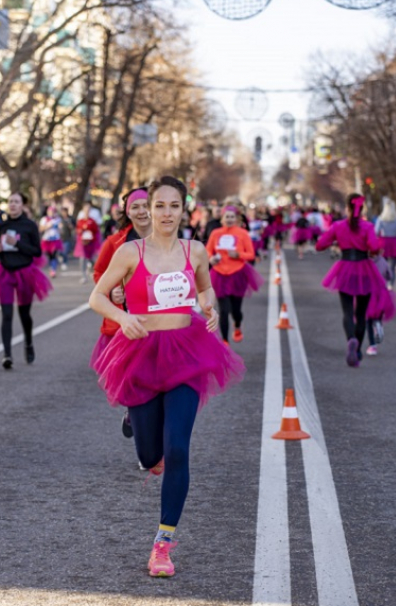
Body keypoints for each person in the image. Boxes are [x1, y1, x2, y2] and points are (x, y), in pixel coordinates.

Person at [89, 175, 245, 578]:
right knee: (148, 455)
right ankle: (151, 455)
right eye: (159, 205)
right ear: (149, 208)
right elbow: (97, 297)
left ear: (184, 209)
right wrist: (123, 318)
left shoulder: (195, 251)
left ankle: (163, 542)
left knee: (178, 447)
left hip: (186, 355)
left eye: (174, 206)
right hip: (140, 355)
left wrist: (210, 308)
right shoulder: (129, 252)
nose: (166, 213)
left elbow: (206, 291)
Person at [91, 187, 152, 439]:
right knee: (135, 380)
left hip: (158, 321)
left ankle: (151, 432)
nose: (141, 211)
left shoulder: (168, 238)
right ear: (128, 212)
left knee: (156, 381)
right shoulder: (115, 243)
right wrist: (113, 290)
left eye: (146, 205)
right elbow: (99, 274)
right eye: (135, 207)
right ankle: (137, 421)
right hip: (124, 323)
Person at [315, 194, 396, 367]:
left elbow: (320, 245)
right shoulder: (367, 226)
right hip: (364, 268)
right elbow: (374, 248)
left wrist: (336, 241)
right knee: (361, 314)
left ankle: (350, 339)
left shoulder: (338, 226)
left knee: (347, 312)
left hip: (345, 268)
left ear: (347, 208)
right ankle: (358, 349)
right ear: (362, 209)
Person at [0, 192, 52, 369]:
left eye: (16, 202)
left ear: (23, 205)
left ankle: (28, 342)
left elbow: (37, 251)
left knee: (24, 314)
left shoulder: (29, 226)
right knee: (6, 315)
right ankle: (7, 354)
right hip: (5, 272)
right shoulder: (2, 225)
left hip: (24, 272)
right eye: (10, 202)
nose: (13, 205)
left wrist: (16, 243)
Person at [206, 205, 264, 345]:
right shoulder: (216, 233)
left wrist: (238, 254)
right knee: (223, 310)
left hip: (237, 273)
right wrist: (211, 259)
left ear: (237, 219)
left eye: (232, 217)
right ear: (222, 219)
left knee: (236, 310)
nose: (230, 219)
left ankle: (237, 324)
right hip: (219, 274)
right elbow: (208, 250)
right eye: (227, 217)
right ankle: (225, 341)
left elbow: (250, 254)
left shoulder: (242, 233)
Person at [375, 198, 396, 288]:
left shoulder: (381, 219)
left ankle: (383, 282)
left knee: (383, 266)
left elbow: (376, 231)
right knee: (393, 267)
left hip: (383, 243)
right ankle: (391, 284)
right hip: (394, 243)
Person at [74, 206, 101, 284]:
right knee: (82, 259)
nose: (86, 212)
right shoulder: (80, 221)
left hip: (91, 242)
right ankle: (83, 275)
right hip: (82, 243)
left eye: (88, 211)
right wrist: (81, 230)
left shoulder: (92, 221)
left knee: (91, 259)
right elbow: (77, 230)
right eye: (85, 211)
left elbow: (96, 231)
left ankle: (92, 270)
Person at [38, 205, 64, 278]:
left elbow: (61, 231)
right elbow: (40, 229)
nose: (51, 213)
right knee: (49, 255)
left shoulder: (58, 219)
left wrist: (60, 228)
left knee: (54, 254)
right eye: (50, 211)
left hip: (55, 239)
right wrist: (47, 226)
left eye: (53, 212)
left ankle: (53, 269)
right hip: (47, 240)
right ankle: (51, 267)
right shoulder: (44, 219)